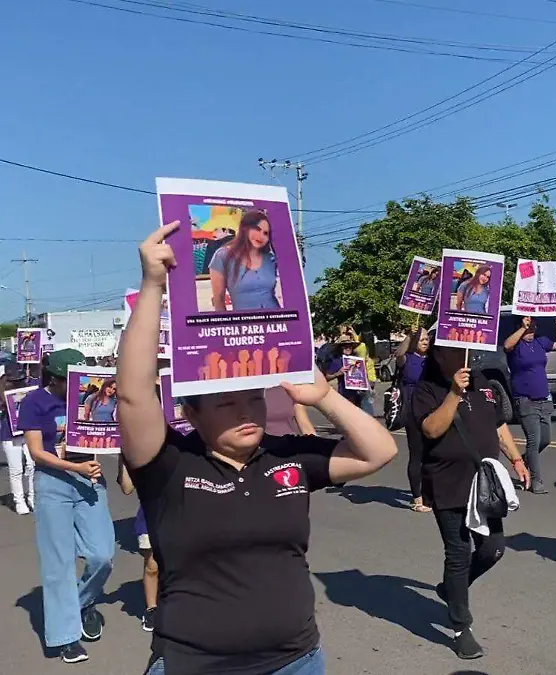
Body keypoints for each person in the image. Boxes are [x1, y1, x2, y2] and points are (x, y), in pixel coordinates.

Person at [119, 221, 398, 675]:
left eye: (253, 397)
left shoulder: (286, 455)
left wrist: (325, 396)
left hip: (295, 662)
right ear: (191, 414)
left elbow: (378, 452)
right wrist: (153, 285)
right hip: (195, 664)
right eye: (226, 404)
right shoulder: (169, 464)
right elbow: (132, 395)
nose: (247, 411)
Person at [410, 334, 531, 660]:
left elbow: (499, 427)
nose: (465, 353)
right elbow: (432, 429)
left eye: (467, 347)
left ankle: (452, 589)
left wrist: (517, 459)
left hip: (485, 485)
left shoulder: (486, 383)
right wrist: (453, 392)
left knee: (492, 549)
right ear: (438, 354)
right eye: (454, 348)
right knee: (459, 553)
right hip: (448, 483)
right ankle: (462, 627)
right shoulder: (426, 390)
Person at [19, 347, 113, 665]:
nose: (78, 383)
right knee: (58, 565)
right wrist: (76, 469)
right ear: (57, 378)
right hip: (53, 484)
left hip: (90, 480)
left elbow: (101, 433)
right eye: (70, 378)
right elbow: (35, 452)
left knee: (102, 554)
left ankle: (82, 603)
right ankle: (66, 638)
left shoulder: (89, 399)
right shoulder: (35, 402)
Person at [503, 315, 556, 494]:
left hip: (544, 399)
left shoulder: (541, 342)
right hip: (525, 400)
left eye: (533, 327)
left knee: (545, 439)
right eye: (527, 327)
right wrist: (523, 328)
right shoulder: (515, 347)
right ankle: (536, 481)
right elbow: (506, 345)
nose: (531, 331)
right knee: (534, 439)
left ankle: (523, 461)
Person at [209, 210, 281, 312]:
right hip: (244, 324)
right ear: (245, 228)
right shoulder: (223, 256)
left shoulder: (271, 259)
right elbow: (219, 302)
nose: (261, 236)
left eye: (265, 233)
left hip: (276, 323)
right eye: (257, 229)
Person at [117, 461, 158, 633]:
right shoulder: (142, 450)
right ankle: (152, 609)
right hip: (151, 514)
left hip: (183, 513)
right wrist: (123, 455)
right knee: (152, 566)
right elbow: (127, 488)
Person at [395, 327, 432, 512]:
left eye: (427, 339)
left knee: (432, 455)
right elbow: (399, 353)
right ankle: (417, 497)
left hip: (432, 411)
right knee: (417, 455)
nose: (426, 342)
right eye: (422, 339)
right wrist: (410, 335)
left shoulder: (432, 360)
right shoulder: (408, 359)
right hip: (413, 411)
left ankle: (429, 493)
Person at [2, 371, 34, 515]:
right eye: (14, 380)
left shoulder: (28, 391)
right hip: (9, 434)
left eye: (20, 379)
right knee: (16, 470)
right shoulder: (2, 394)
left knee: (32, 465)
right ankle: (19, 500)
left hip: (27, 432)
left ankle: (32, 497)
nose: (17, 383)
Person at [325, 335, 364, 408]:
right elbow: (327, 377)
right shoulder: (337, 361)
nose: (348, 348)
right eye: (345, 346)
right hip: (344, 396)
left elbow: (364, 376)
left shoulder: (357, 360)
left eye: (350, 346)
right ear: (340, 348)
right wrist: (338, 373)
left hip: (358, 395)